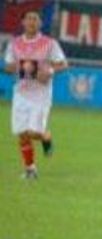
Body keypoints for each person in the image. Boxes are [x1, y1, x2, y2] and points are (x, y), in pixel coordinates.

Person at [3, 9, 67, 179]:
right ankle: (30, 169)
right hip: (21, 93)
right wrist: (28, 69)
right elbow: (8, 66)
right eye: (29, 18)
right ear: (23, 22)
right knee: (22, 134)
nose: (32, 22)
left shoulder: (49, 43)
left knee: (33, 132)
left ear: (40, 23)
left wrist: (50, 71)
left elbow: (63, 64)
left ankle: (46, 136)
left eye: (35, 19)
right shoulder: (14, 44)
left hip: (41, 94)